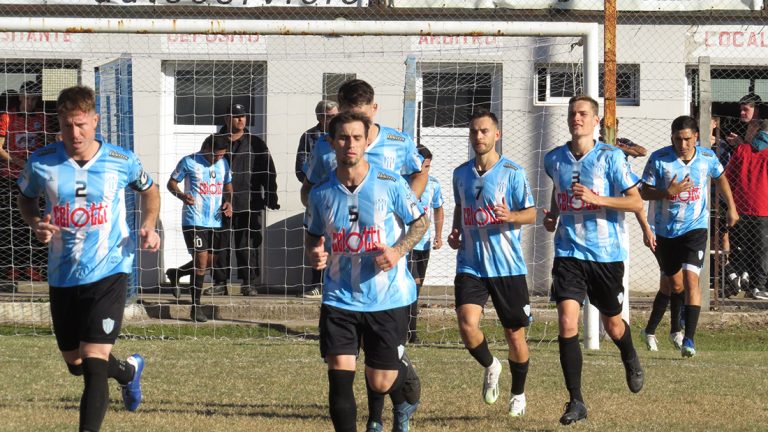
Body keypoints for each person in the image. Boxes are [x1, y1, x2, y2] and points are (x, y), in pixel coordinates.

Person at [16, 85, 160, 431]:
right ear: (58, 125)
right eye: (67, 126)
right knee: (76, 362)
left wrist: (149, 225)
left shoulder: (121, 160)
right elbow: (25, 198)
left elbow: (150, 190)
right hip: (63, 273)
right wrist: (36, 222)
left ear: (95, 121)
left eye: (81, 124)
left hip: (110, 269)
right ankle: (128, 371)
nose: (74, 133)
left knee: (94, 362)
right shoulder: (42, 161)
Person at [299, 79, 425, 431]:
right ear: (331, 141)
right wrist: (316, 251)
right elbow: (312, 234)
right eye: (343, 138)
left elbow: (421, 222)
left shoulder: (390, 182)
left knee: (381, 381)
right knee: (339, 376)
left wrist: (398, 251)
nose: (349, 144)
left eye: (356, 137)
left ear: (367, 139)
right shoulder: (321, 193)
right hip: (339, 295)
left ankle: (406, 388)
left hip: (386, 295)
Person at [542, 95, 645, 425]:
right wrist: (554, 215)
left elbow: (635, 202)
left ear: (596, 121)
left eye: (583, 114)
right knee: (567, 321)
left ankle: (629, 354)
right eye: (573, 113)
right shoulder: (554, 159)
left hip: (605, 256)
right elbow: (560, 191)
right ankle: (576, 400)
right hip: (569, 252)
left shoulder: (610, 157)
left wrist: (597, 198)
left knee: (612, 325)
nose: (577, 118)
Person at [446, 110, 536, 417]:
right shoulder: (460, 173)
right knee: (467, 325)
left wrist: (511, 216)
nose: (478, 137)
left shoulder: (512, 172)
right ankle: (491, 364)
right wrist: (456, 230)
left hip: (507, 267)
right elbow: (461, 206)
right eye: (474, 132)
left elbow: (532, 213)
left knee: (514, 336)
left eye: (484, 131)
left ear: (496, 135)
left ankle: (519, 393)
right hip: (471, 264)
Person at [638, 116, 738, 356]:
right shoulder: (660, 159)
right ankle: (657, 330)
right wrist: (667, 192)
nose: (682, 144)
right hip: (666, 231)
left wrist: (732, 207)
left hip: (695, 227)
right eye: (677, 139)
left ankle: (689, 339)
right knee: (674, 284)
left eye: (686, 139)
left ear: (696, 137)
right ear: (672, 137)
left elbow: (721, 178)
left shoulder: (706, 157)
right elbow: (643, 192)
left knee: (692, 280)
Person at [165, 103, 279, 296]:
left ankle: (247, 283)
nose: (240, 119)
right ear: (227, 118)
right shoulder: (215, 141)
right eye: (236, 116)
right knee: (220, 247)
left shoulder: (255, 143)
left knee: (247, 244)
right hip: (216, 206)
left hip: (247, 203)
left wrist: (270, 195)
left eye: (243, 116)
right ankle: (219, 283)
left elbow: (268, 171)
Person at [300, 79, 427, 207]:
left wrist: (406, 206)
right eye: (350, 116)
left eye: (362, 117)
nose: (357, 123)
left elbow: (419, 175)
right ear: (340, 111)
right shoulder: (325, 144)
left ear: (374, 108)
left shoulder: (400, 142)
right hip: (340, 226)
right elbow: (308, 188)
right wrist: (320, 213)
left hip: (384, 226)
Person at [168, 134, 233, 322]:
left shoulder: (223, 164)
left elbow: (228, 188)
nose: (218, 159)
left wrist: (228, 203)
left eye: (221, 155)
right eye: (215, 155)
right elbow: (171, 183)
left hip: (216, 220)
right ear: (206, 148)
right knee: (202, 262)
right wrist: (181, 196)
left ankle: (176, 273)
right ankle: (196, 308)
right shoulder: (189, 162)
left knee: (211, 261)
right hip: (194, 219)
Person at [0, 81, 49, 283]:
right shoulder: (7, 117)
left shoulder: (41, 118)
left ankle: (32, 266)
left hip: (34, 177)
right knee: (12, 223)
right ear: (20, 97)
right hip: (10, 175)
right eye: (27, 98)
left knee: (34, 221)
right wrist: (18, 162)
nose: (30, 102)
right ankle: (11, 268)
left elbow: (45, 144)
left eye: (34, 99)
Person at [296, 100, 338, 298]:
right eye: (326, 116)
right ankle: (316, 284)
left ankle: (337, 283)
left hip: (341, 198)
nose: (330, 120)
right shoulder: (309, 137)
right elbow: (301, 165)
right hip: (319, 195)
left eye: (333, 116)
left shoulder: (345, 133)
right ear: (318, 117)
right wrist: (316, 180)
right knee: (317, 239)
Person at [724, 118, 768, 300]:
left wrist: (731, 201)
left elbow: (729, 177)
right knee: (762, 249)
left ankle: (742, 278)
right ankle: (760, 285)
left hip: (741, 206)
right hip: (763, 207)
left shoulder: (742, 150)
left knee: (745, 246)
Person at [406, 145, 443, 343]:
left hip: (424, 244)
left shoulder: (434, 184)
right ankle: (409, 332)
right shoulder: (404, 182)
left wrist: (438, 234)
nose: (424, 170)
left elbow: (438, 209)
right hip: (407, 244)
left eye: (428, 166)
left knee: (416, 289)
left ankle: (410, 330)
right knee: (410, 285)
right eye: (422, 165)